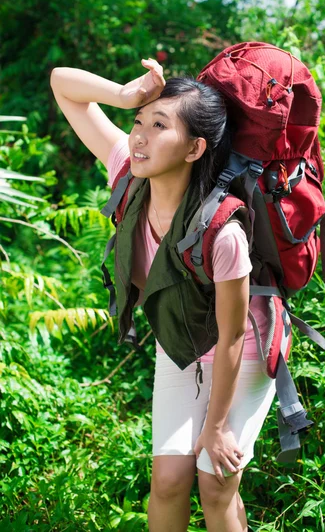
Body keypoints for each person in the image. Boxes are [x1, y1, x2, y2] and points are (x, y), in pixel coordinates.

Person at [50, 58, 277, 532]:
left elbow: (234, 335)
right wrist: (129, 95)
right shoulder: (130, 176)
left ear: (195, 148)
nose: (138, 137)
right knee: (169, 482)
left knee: (215, 485)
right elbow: (62, 84)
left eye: (158, 125)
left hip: (245, 351)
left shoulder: (223, 231)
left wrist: (215, 429)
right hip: (181, 344)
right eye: (138, 124)